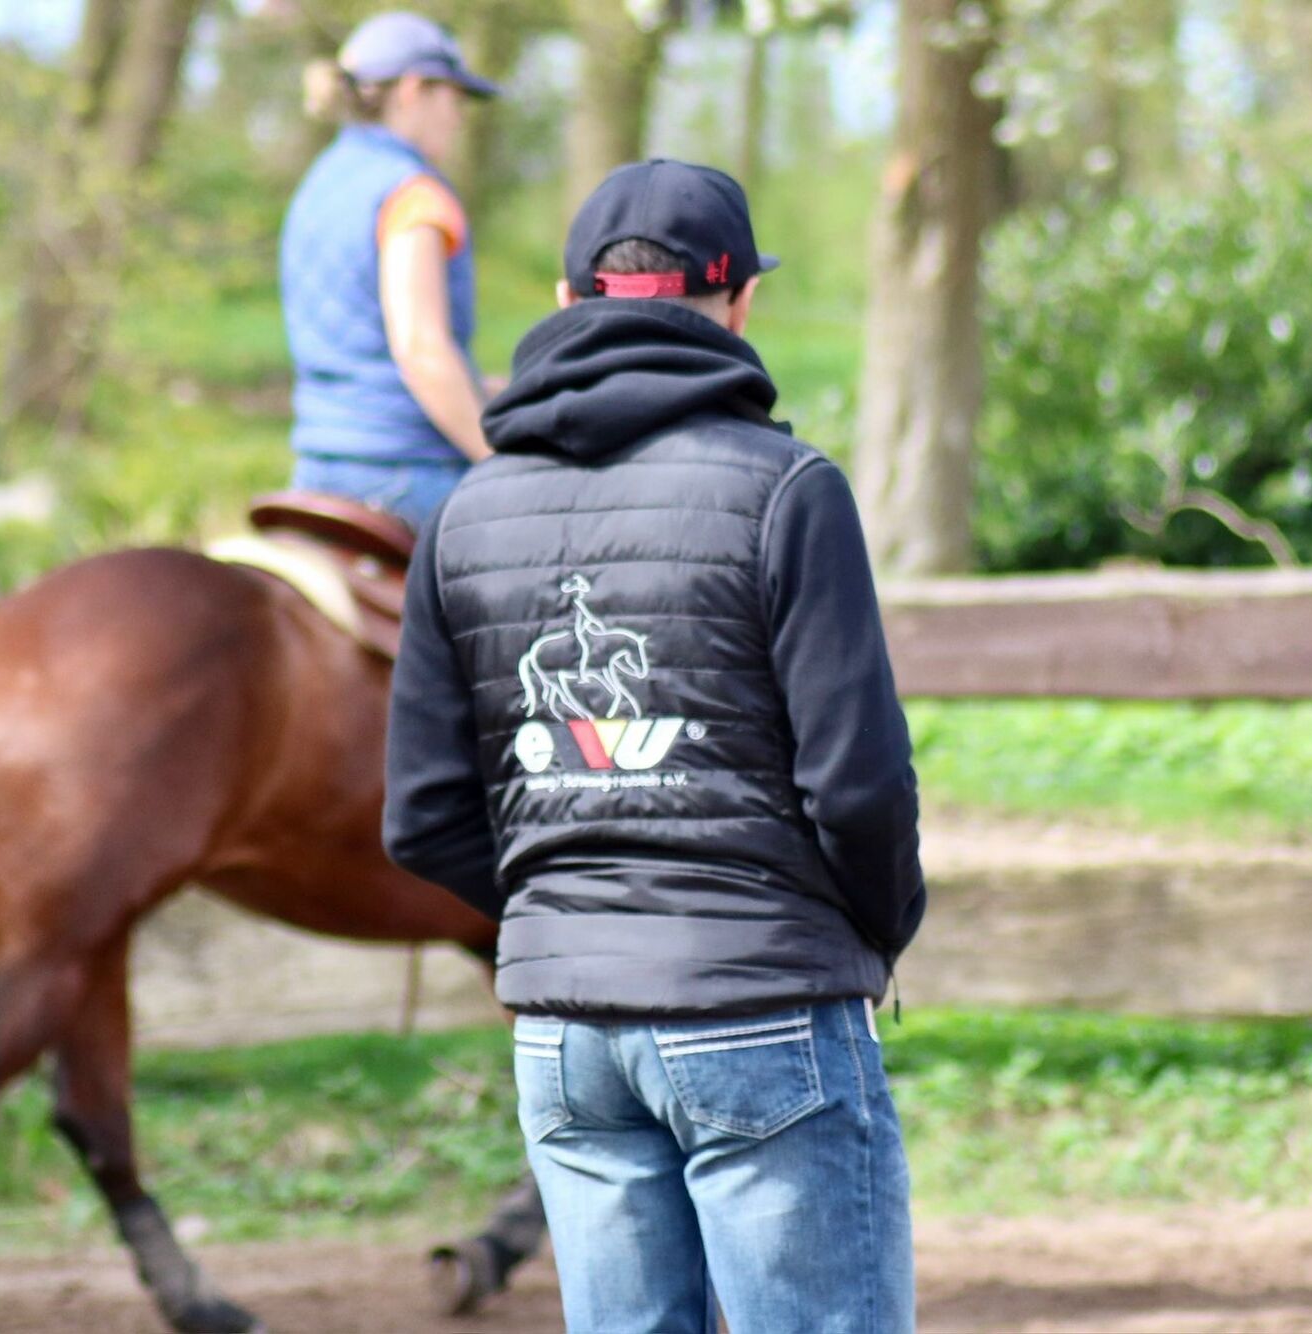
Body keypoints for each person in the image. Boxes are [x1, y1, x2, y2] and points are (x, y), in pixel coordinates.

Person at [384, 160, 925, 1334]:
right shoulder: (788, 489)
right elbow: (858, 785)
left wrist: (569, 906)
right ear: (739, 303)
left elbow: (421, 813)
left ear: (566, 299)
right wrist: (874, 928)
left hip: (566, 1032)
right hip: (761, 996)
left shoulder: (464, 512)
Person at [279, 11, 498, 530]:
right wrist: (498, 461)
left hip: (316, 466)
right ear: (413, 90)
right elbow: (421, 349)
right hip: (407, 470)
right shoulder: (412, 193)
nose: (459, 117)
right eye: (455, 99)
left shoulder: (319, 183)